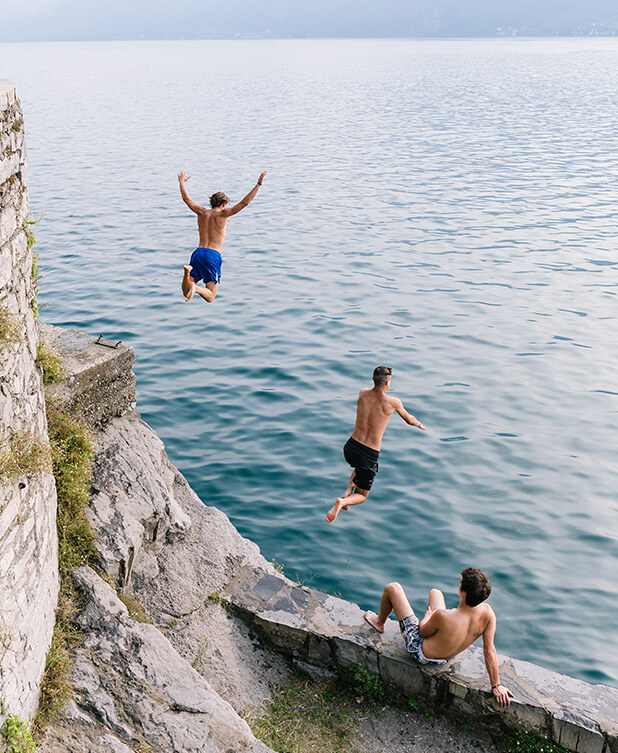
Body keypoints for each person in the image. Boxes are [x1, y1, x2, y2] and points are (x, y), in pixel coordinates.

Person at [364, 567, 514, 708]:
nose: (459, 582)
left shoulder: (442, 616)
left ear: (464, 593)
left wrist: (428, 617)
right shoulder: (488, 614)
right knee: (435, 592)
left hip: (420, 651)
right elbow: (489, 651)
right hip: (445, 657)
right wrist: (496, 685)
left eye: (460, 582)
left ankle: (379, 622)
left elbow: (421, 631)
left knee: (393, 588)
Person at [326, 366, 426, 523]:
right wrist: (419, 424)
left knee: (359, 468)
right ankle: (343, 501)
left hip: (350, 447)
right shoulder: (393, 402)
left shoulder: (362, 393)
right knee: (362, 495)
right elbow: (409, 419)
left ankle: (347, 491)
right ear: (388, 384)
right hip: (368, 453)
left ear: (373, 380)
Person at [178, 170, 267, 302]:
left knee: (186, 292)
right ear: (224, 204)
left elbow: (186, 198)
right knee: (210, 296)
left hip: (198, 252)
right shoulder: (224, 214)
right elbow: (244, 203)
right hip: (212, 255)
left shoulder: (201, 212)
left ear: (212, 203)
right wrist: (258, 184)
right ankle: (196, 288)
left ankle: (187, 275)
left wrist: (181, 182)